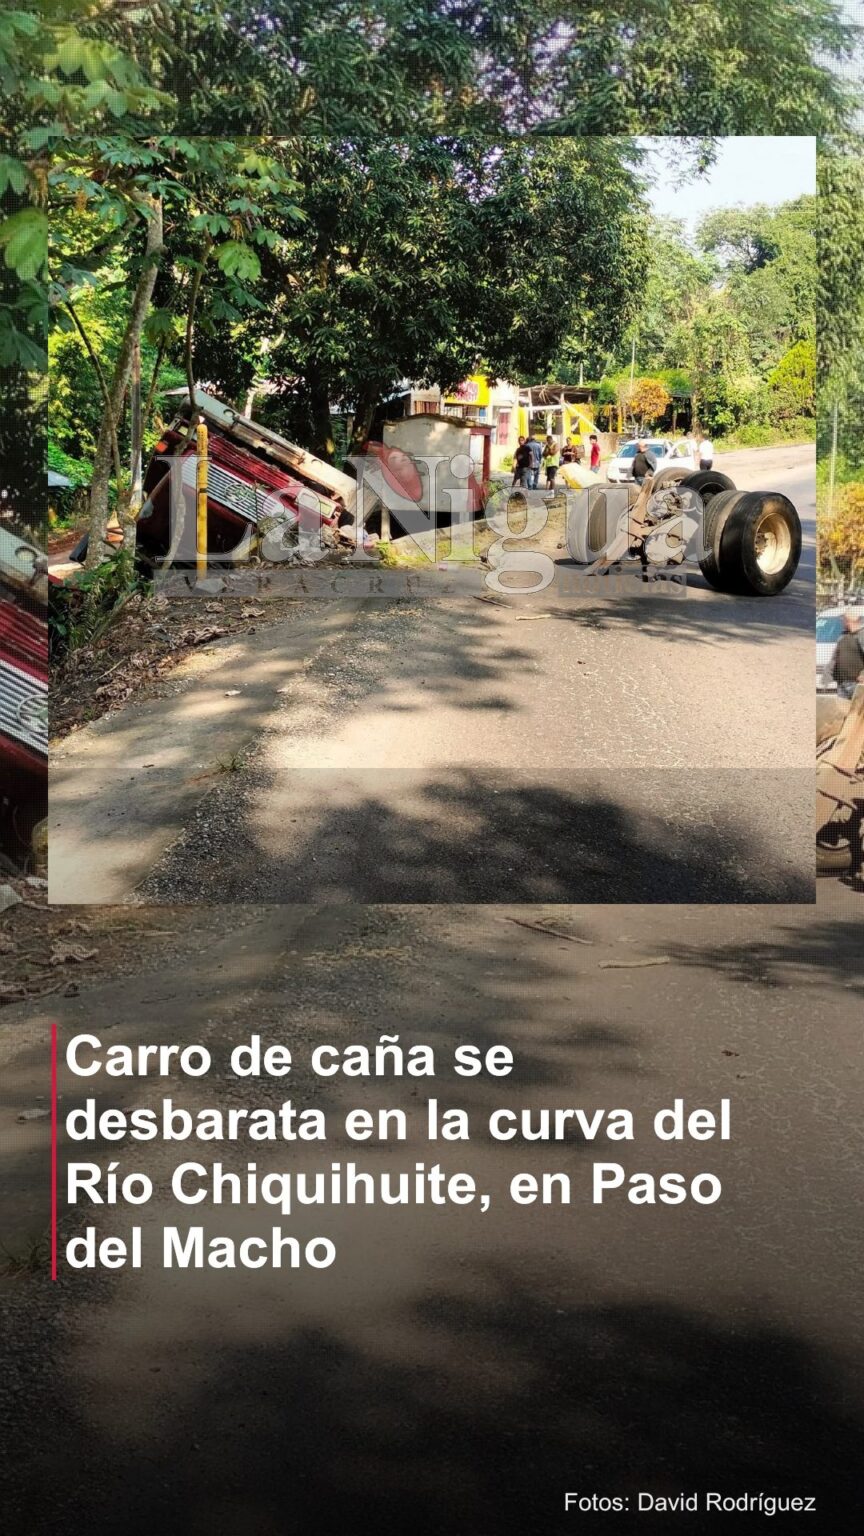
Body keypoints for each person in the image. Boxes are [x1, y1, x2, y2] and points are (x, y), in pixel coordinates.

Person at [832, 613, 864, 699]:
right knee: (842, 710)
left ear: (848, 621)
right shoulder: (843, 635)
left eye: (843, 620)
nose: (842, 622)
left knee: (858, 710)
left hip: (857, 683)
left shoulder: (861, 635)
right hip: (842, 682)